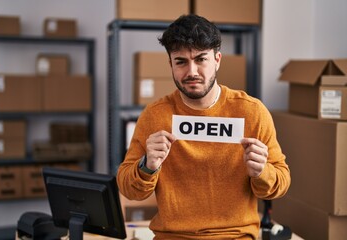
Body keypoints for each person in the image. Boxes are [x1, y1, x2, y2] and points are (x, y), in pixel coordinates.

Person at [117, 14, 291, 240]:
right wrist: (147, 166)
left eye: (201, 59)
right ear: (170, 64)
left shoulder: (252, 112)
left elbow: (281, 183)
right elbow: (128, 189)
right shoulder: (154, 115)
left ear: (217, 59)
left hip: (235, 237)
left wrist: (262, 172)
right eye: (181, 61)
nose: (192, 72)